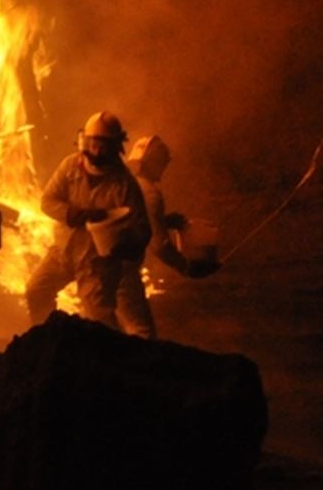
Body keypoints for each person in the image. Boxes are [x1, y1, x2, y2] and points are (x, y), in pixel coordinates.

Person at [24, 111, 157, 338]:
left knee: (98, 322)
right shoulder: (70, 167)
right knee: (36, 290)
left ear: (115, 146)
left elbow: (142, 230)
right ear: (83, 140)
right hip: (63, 251)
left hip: (97, 263)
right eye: (92, 142)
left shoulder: (124, 184)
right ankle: (47, 341)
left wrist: (124, 247)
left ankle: (113, 363)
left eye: (102, 144)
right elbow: (47, 201)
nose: (95, 149)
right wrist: (71, 213)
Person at [127, 134, 220, 281]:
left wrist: (163, 221)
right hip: (120, 269)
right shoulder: (150, 193)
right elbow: (159, 245)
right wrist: (186, 267)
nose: (164, 167)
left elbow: (133, 221)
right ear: (154, 161)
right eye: (162, 162)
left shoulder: (127, 184)